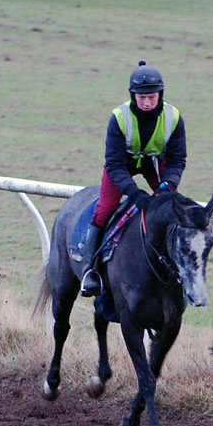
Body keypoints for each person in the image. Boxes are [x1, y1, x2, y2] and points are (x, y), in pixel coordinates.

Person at [79, 61, 187, 297]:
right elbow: (115, 164)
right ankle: (90, 270)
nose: (147, 102)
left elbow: (178, 160)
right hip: (122, 165)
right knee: (105, 207)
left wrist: (167, 185)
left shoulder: (174, 116)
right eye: (142, 97)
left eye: (152, 97)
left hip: (155, 165)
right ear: (133, 96)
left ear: (160, 94)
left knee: (173, 207)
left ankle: (181, 266)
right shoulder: (118, 117)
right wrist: (135, 193)